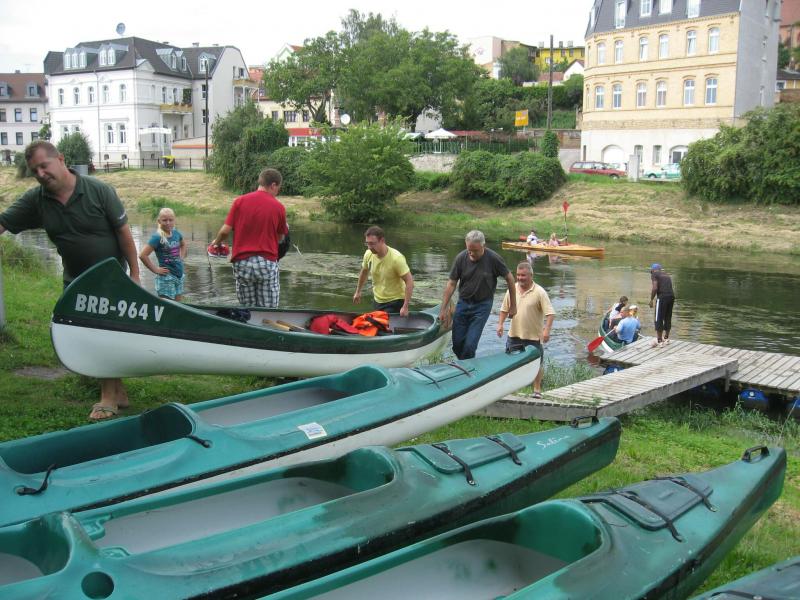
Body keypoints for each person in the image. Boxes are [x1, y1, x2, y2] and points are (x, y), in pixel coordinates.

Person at [0, 141, 140, 421]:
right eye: (35, 170)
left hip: (109, 278)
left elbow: (124, 234)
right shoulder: (36, 200)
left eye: (44, 166)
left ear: (61, 159)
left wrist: (135, 276)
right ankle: (118, 392)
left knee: (104, 334)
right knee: (86, 336)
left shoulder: (99, 190)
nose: (41, 174)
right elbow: (3, 222)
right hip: (75, 281)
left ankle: (108, 398)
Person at [210, 168, 288, 308]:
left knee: (247, 309)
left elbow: (225, 231)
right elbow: (281, 237)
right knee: (268, 310)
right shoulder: (279, 207)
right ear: (273, 185)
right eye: (278, 188)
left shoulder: (240, 201)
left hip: (242, 263)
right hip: (266, 263)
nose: (278, 192)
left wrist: (216, 243)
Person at [439, 230, 516, 360]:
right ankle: (465, 364)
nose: (471, 254)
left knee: (470, 346)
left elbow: (510, 279)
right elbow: (451, 284)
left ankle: (467, 368)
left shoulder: (494, 259)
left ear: (483, 246)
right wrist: (443, 308)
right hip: (463, 303)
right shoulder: (461, 258)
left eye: (475, 250)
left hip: (482, 306)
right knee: (457, 345)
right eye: (469, 250)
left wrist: (513, 305)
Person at [496, 261, 555, 398]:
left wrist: (546, 331)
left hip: (533, 337)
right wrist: (500, 324)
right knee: (511, 363)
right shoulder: (512, 289)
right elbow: (504, 309)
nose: (520, 278)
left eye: (523, 275)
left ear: (531, 275)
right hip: (514, 335)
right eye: (518, 275)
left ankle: (537, 390)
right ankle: (511, 390)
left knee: (537, 364)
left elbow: (550, 313)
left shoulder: (540, 292)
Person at [353, 225, 414, 316]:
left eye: (372, 243)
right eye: (367, 243)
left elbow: (410, 282)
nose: (369, 247)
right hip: (378, 300)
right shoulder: (368, 254)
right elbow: (364, 272)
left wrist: (405, 307)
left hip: (395, 301)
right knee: (375, 322)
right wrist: (358, 291)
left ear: (382, 241)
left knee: (380, 323)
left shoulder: (396, 258)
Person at [139, 207, 187, 301]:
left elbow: (183, 244)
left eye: (170, 220)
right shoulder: (157, 237)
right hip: (166, 278)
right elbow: (142, 255)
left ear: (174, 220)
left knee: (178, 305)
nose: (168, 223)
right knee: (167, 305)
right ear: (159, 221)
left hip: (179, 275)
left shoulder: (176, 234)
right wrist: (155, 269)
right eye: (165, 220)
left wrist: (181, 257)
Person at [648, 263, 675, 348]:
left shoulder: (654, 274)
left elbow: (655, 288)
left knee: (658, 318)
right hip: (671, 296)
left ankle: (659, 341)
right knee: (668, 316)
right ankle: (666, 338)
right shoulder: (666, 274)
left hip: (662, 297)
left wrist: (651, 299)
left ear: (652, 270)